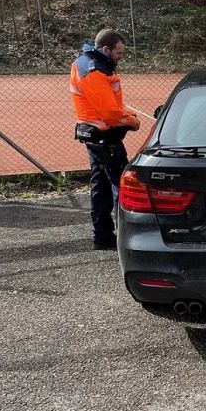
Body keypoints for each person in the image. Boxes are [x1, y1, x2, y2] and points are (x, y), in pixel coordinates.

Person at [69, 29, 139, 250]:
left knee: (100, 186)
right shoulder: (94, 70)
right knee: (121, 185)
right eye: (118, 52)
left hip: (95, 134)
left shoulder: (86, 64)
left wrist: (125, 115)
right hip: (105, 136)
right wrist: (132, 121)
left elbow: (112, 106)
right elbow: (110, 112)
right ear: (105, 49)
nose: (121, 57)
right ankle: (125, 237)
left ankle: (103, 236)